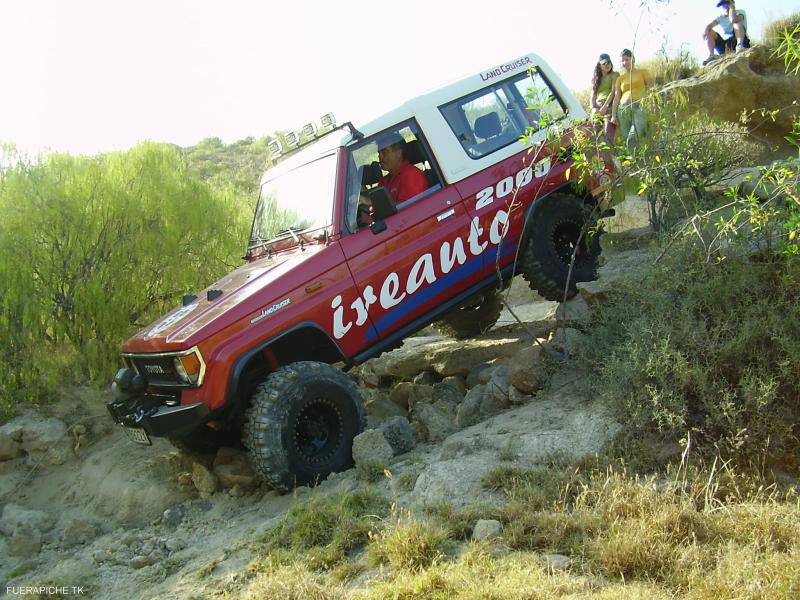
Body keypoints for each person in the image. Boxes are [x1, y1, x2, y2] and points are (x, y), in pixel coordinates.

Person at [610, 49, 653, 152]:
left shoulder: (643, 72)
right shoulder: (620, 78)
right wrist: (613, 115)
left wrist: (650, 104)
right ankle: (634, 162)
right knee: (627, 138)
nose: (625, 63)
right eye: (622, 61)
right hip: (623, 110)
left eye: (627, 59)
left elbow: (651, 88)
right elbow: (617, 96)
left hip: (639, 107)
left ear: (632, 59)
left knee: (634, 136)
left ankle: (634, 160)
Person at [376, 134, 428, 203]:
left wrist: (373, 203)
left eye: (384, 151)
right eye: (379, 153)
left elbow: (408, 208)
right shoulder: (384, 181)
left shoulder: (411, 175)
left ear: (399, 153)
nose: (380, 157)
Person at [703, 0, 750, 66]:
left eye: (727, 3)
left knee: (736, 23)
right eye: (723, 4)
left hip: (741, 40)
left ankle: (740, 46)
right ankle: (711, 55)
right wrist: (705, 32)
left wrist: (732, 8)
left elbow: (734, 19)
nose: (725, 6)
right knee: (709, 31)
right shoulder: (721, 17)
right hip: (727, 45)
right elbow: (708, 26)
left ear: (732, 3)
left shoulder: (740, 12)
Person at [590, 53, 619, 145]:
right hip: (598, 107)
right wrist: (593, 108)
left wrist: (605, 106)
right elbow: (593, 95)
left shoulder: (614, 75)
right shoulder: (596, 79)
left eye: (609, 62)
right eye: (604, 63)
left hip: (609, 105)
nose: (607, 65)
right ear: (599, 65)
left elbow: (613, 91)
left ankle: (612, 156)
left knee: (608, 134)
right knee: (596, 135)